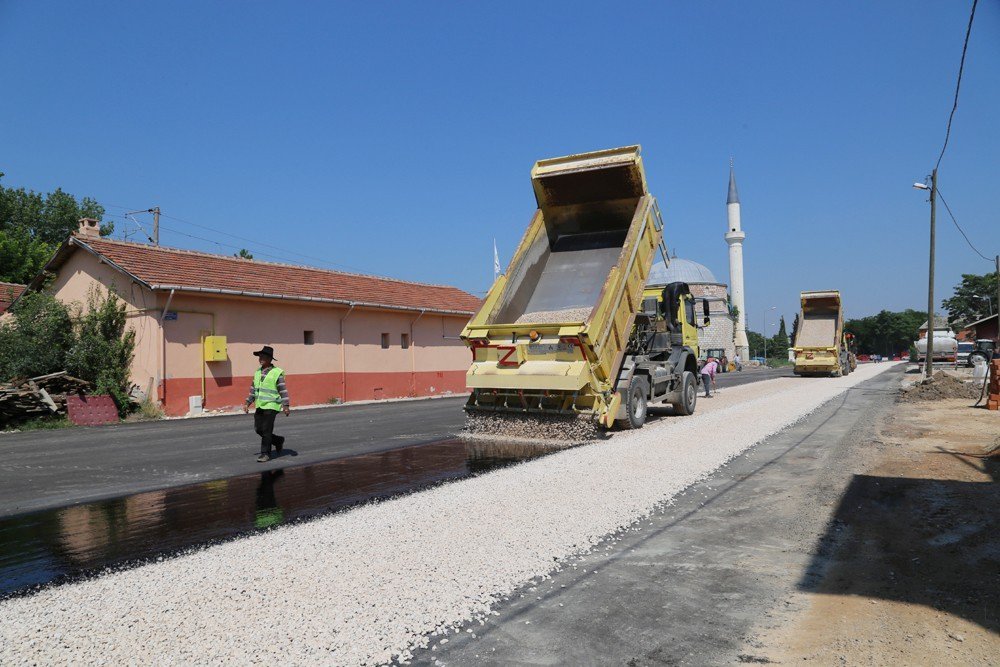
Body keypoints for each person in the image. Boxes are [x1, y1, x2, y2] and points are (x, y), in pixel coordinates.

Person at [244, 345, 291, 462]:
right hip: (260, 405)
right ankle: (278, 440)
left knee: (266, 430)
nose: (260, 358)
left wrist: (286, 405)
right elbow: (253, 389)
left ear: (270, 359)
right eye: (260, 357)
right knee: (258, 429)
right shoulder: (257, 372)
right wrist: (247, 402)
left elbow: (282, 389)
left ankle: (265, 454)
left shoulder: (277, 372)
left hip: (272, 405)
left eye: (263, 356)